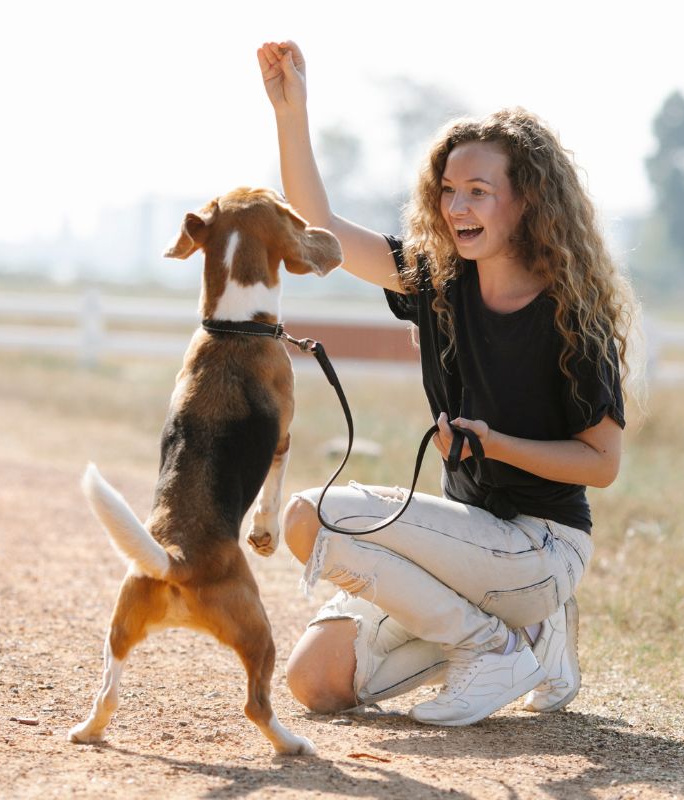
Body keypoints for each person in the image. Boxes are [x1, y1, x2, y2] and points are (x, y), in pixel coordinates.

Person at [257, 40, 638, 726]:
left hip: (540, 547)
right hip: (466, 547)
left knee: (309, 515)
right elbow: (323, 229)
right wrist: (292, 112)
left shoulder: (572, 317)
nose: (458, 205)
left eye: (479, 191)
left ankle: (493, 644)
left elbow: (603, 465)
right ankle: (528, 640)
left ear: (526, 203)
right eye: (449, 190)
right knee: (316, 683)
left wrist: (496, 444)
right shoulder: (436, 281)